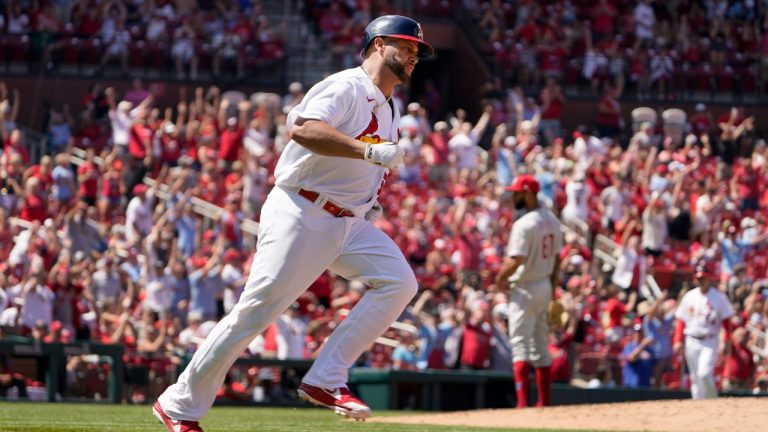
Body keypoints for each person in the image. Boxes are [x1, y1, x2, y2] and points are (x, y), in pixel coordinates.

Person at [153, 15, 433, 430]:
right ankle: (178, 405)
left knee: (400, 282)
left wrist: (368, 196)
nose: (412, 56)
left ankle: (326, 378)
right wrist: (368, 153)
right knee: (256, 312)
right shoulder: (347, 85)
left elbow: (362, 164)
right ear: (377, 45)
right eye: (405, 47)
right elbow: (303, 129)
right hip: (303, 209)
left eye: (415, 51)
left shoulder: (388, 105)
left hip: (347, 221)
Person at [496, 175, 563, 408]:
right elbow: (557, 261)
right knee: (541, 346)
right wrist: (553, 291)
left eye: (517, 192)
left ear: (528, 193)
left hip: (524, 287)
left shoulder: (524, 224)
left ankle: (523, 404)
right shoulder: (553, 221)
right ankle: (544, 402)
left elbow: (516, 261)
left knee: (521, 345)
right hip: (544, 283)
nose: (513, 196)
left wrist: (499, 279)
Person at [673, 269, 735, 400]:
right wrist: (677, 340)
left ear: (709, 279)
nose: (701, 281)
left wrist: (726, 339)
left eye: (703, 279)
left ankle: (712, 401)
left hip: (710, 340)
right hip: (691, 339)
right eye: (699, 279)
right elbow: (681, 321)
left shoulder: (718, 297)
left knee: (704, 373)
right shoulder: (689, 296)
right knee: (695, 378)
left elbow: (727, 322)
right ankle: (698, 405)